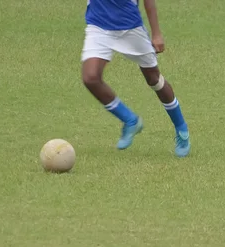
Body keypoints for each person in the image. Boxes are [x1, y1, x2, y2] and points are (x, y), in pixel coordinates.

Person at [81, 0, 191, 157]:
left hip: (130, 27)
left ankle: (181, 128)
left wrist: (157, 33)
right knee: (90, 78)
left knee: (154, 79)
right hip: (98, 25)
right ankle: (130, 120)